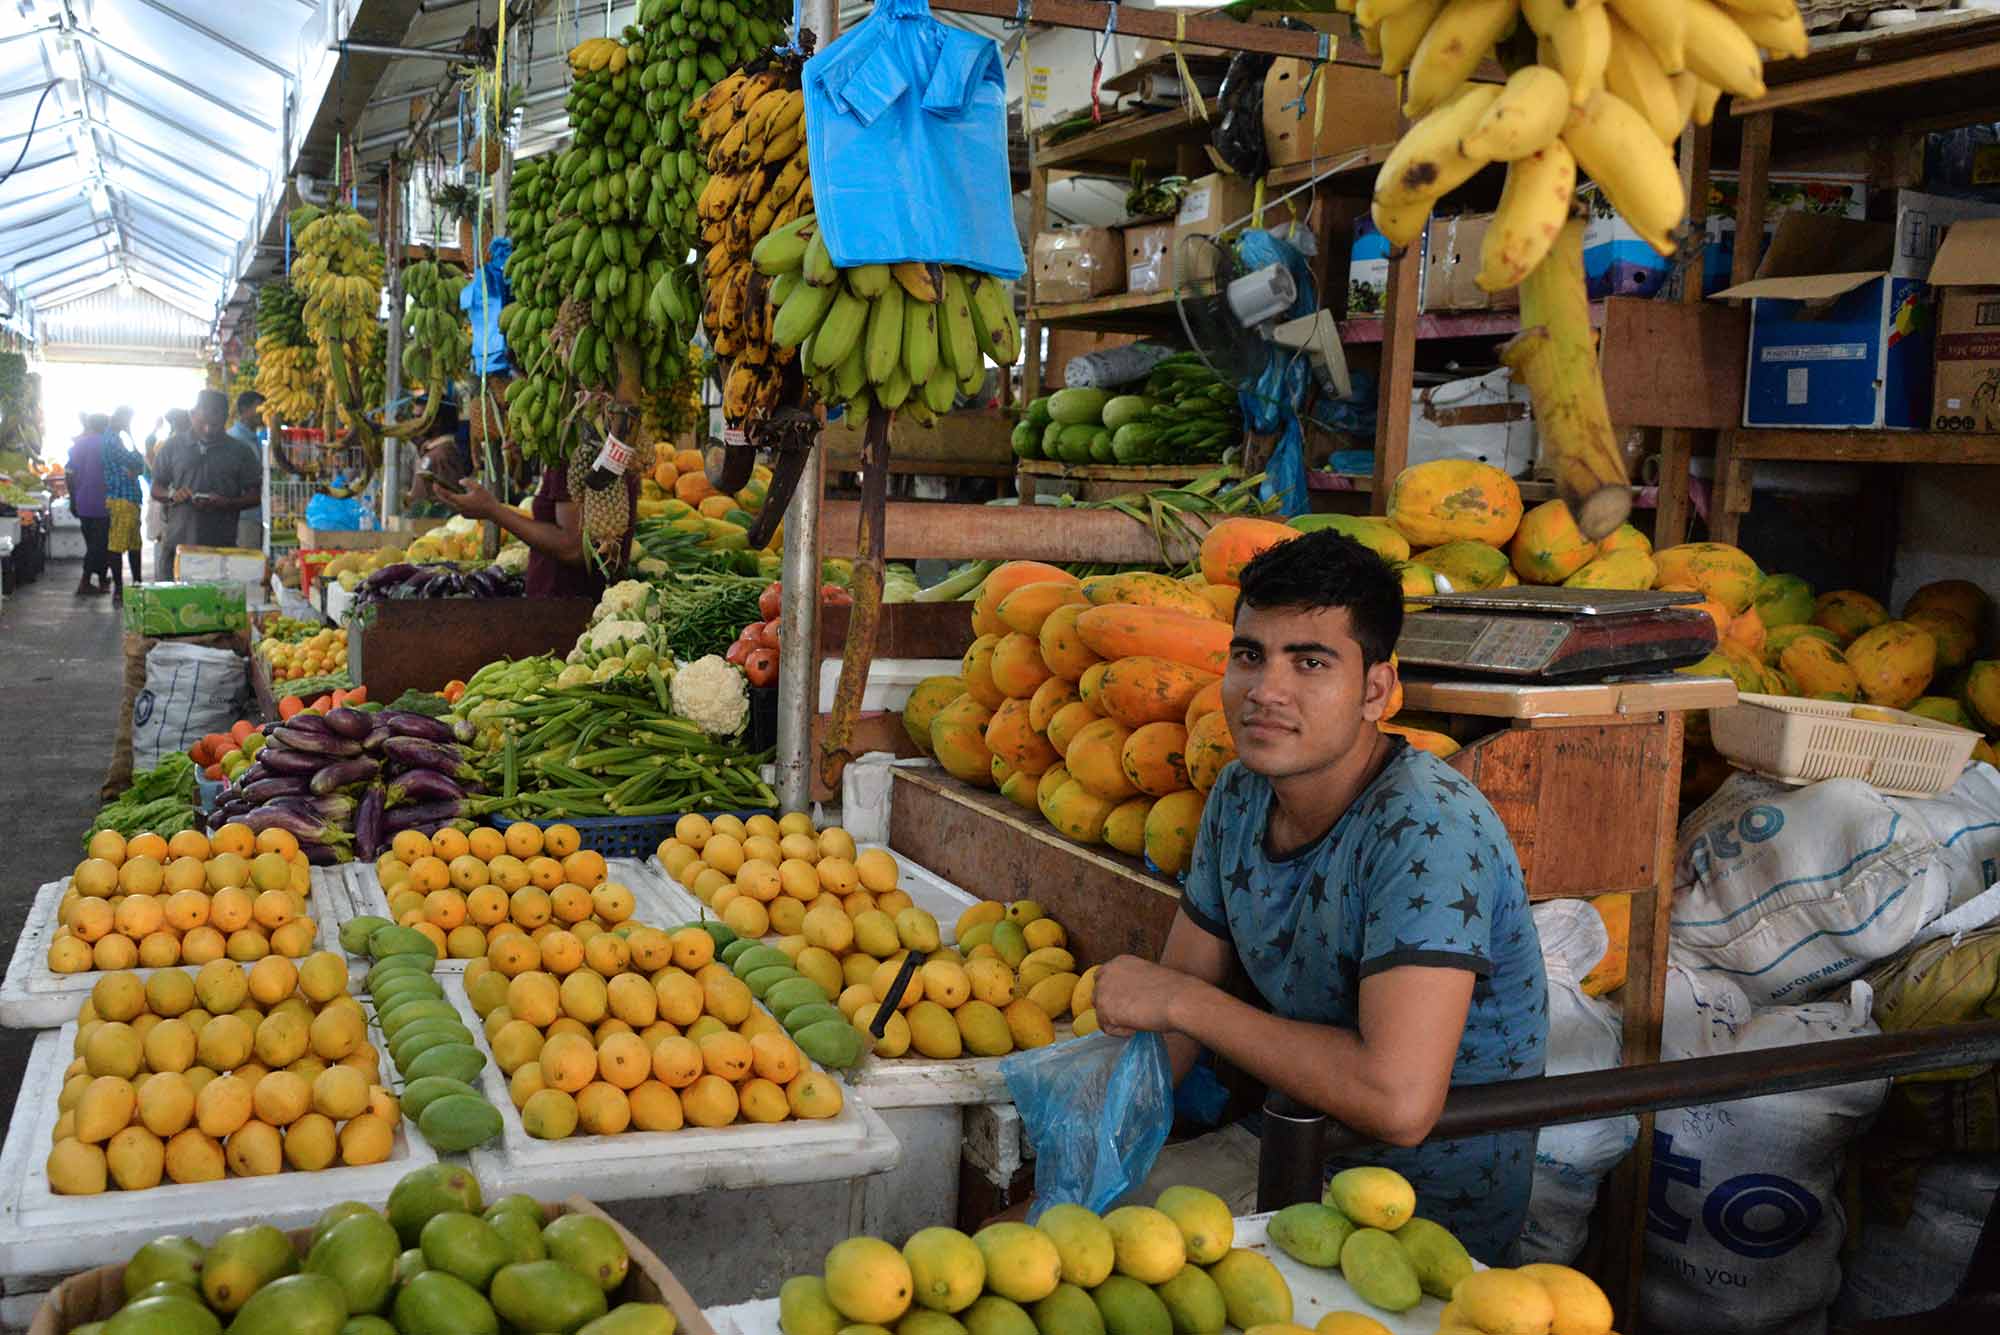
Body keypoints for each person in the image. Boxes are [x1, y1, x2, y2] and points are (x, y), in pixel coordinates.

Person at [1089, 529, 1547, 1264]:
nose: (1267, 690)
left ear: (1376, 690)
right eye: (1250, 655)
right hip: (1288, 1146)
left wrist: (1181, 1004)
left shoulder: (1426, 830)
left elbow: (1398, 1102)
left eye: (1310, 661)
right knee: (1045, 1242)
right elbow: (1171, 1014)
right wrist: (1092, 1133)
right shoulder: (1241, 792)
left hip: (1413, 1211)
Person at [434, 447, 636, 600]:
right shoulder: (595, 447)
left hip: (565, 607)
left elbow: (573, 546)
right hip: (569, 602)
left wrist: (491, 510)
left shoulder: (572, 452)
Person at [156, 390, 261, 578]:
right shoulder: (172, 446)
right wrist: (172, 495)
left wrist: (227, 503)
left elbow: (255, 495)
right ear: (192, 414)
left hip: (220, 550)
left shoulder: (240, 452)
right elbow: (157, 487)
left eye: (215, 424)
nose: (208, 430)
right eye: (202, 423)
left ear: (226, 419)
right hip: (177, 545)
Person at [65, 415, 112, 596]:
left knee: (93, 543)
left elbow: (69, 473)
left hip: (83, 501)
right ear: (106, 426)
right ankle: (85, 582)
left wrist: (72, 498)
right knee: (100, 544)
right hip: (104, 502)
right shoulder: (109, 444)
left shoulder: (78, 445)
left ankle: (101, 579)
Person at [102, 417, 147, 600]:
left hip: (128, 498)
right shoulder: (113, 441)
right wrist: (131, 436)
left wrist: (138, 467)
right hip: (123, 498)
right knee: (118, 544)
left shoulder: (114, 439)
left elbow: (141, 467)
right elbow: (137, 459)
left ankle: (135, 584)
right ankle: (120, 588)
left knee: (134, 543)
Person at [226, 391, 266, 551]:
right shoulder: (234, 440)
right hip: (243, 517)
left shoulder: (254, 439)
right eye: (259, 407)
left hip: (255, 514)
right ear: (244, 409)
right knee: (245, 566)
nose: (263, 411)